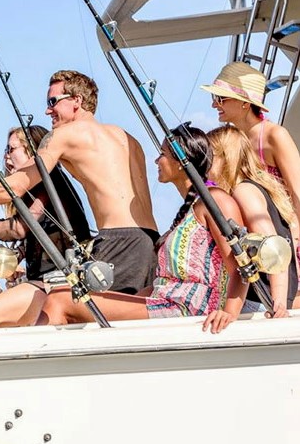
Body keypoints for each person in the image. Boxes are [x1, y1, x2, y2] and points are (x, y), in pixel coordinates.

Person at [0, 70, 159, 295]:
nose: (47, 111)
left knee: (64, 311)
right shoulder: (127, 138)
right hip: (151, 242)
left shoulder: (65, 135)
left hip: (118, 241)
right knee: (132, 316)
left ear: (77, 100)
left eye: (52, 102)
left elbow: (14, 187)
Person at [36, 126, 247, 334]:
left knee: (60, 300)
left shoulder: (215, 200)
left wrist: (230, 312)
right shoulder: (188, 211)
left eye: (162, 154)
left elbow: (241, 263)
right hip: (166, 302)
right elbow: (163, 284)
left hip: (188, 309)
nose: (157, 160)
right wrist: (122, 302)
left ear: (180, 162)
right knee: (66, 294)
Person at [0, 125, 91, 329]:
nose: (6, 156)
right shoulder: (36, 189)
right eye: (6, 150)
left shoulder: (49, 182)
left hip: (61, 283)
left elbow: (19, 228)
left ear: (32, 152)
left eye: (11, 149)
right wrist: (16, 257)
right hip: (43, 281)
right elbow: (40, 233)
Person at [200, 61, 300, 306]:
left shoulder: (274, 135)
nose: (214, 104)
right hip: (254, 244)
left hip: (285, 236)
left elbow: (297, 193)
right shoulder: (231, 139)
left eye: (221, 98)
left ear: (245, 103)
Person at [203, 125, 295, 329]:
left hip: (260, 302)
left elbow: (274, 248)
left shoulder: (243, 191)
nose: (204, 163)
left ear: (225, 157)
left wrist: (278, 303)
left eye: (209, 156)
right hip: (265, 299)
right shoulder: (258, 189)